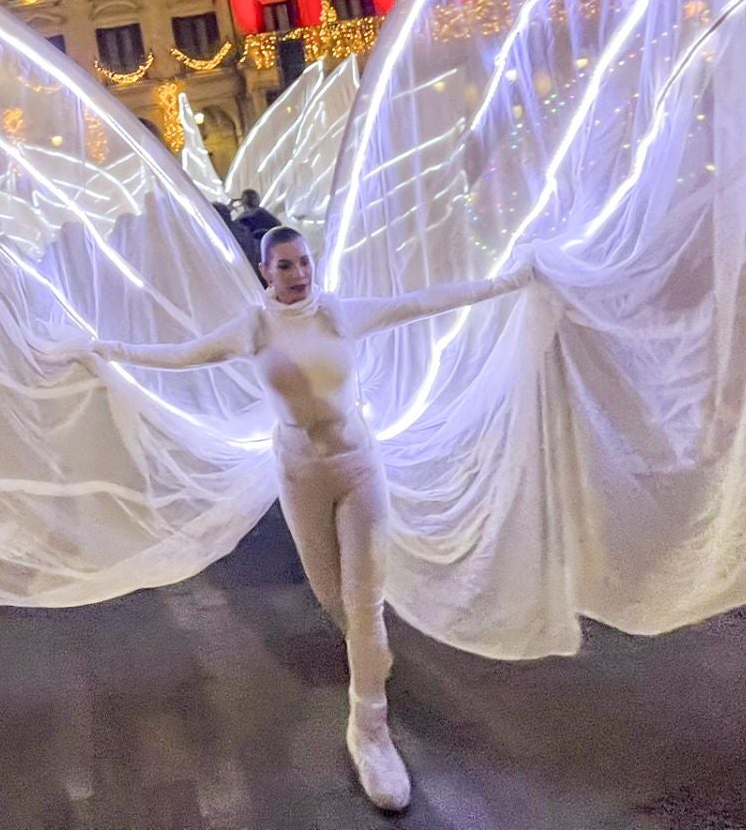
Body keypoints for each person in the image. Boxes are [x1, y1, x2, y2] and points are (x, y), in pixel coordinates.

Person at [50, 227, 530, 811]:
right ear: (265, 272)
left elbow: (426, 301)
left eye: (303, 262)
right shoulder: (254, 328)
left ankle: (370, 727)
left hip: (358, 468)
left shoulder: (339, 315)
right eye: (284, 266)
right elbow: (181, 355)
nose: (298, 274)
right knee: (337, 604)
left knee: (363, 601)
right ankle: (371, 662)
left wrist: (514, 279)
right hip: (299, 474)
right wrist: (101, 350)